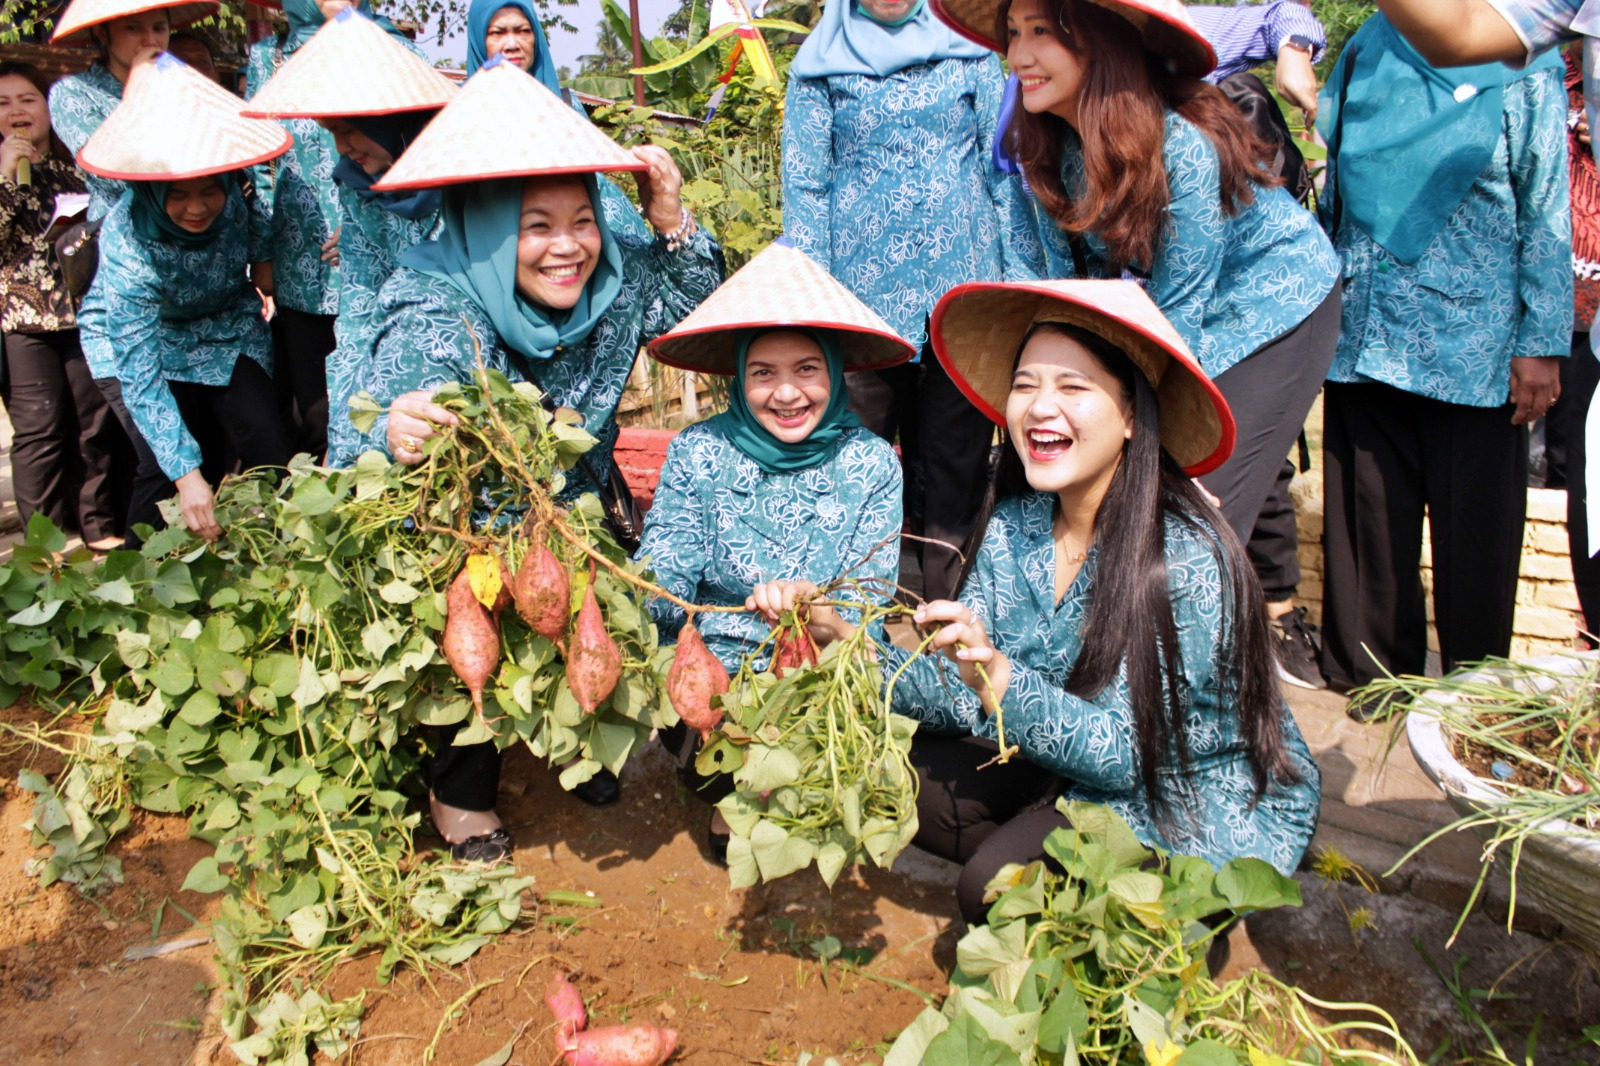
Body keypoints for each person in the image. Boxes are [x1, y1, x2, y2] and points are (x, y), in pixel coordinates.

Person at [757, 278, 1321, 928]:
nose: (1038, 408)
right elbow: (958, 693)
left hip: (1187, 793)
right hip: (1071, 754)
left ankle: (1178, 903)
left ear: (1133, 415)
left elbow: (1124, 755)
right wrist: (842, 638)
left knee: (989, 892)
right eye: (1025, 385)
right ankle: (1046, 832)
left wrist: (1000, 678)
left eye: (1073, 388)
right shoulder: (1014, 527)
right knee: (903, 779)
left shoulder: (1184, 560)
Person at [351, 59, 723, 862]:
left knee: (625, 610)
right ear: (486, 226)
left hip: (580, 507)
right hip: (469, 525)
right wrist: (404, 420)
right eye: (537, 225)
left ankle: (581, 740)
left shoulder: (614, 282)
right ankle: (462, 791)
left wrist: (671, 224)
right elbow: (409, 380)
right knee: (469, 622)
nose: (569, 249)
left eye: (582, 219)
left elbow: (702, 317)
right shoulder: (435, 299)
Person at [956, 0, 1341, 688]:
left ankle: (1185, 706)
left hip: (1275, 305)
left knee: (1186, 504)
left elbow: (1177, 328)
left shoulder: (1180, 147)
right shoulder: (1045, 151)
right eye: (1013, 34)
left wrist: (1148, 452)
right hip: (1170, 320)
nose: (1018, 57)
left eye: (1042, 33)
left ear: (1098, 43)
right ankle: (1078, 690)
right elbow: (1048, 302)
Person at [1316, 14, 1571, 720]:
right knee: (1370, 529)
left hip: (1476, 348)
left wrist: (1542, 342)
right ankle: (1378, 687)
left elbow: (1546, 203)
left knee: (1477, 540)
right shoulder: (1372, 43)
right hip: (1367, 331)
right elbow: (1337, 188)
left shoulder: (1520, 56)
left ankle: (1473, 702)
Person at [638, 240, 913, 859]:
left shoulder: (870, 463)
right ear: (739, 376)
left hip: (820, 658)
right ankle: (726, 795)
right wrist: (619, 598)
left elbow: (872, 599)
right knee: (714, 761)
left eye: (807, 369)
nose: (787, 394)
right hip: (717, 662)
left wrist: (816, 611)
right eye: (764, 373)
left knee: (855, 713)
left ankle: (799, 790)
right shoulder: (699, 451)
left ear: (836, 373)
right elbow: (665, 571)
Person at [782, 0, 1041, 604]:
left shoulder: (971, 51)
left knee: (956, 454)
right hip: (862, 299)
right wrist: (817, 304)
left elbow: (1002, 171)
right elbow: (807, 188)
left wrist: (1021, 283)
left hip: (965, 293)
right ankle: (853, 607)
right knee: (858, 449)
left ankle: (945, 609)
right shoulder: (819, 66)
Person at [81, 54, 291, 544]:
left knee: (264, 440)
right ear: (153, 191)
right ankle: (136, 582)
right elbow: (139, 369)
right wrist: (186, 475)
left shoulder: (234, 193)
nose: (197, 208)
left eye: (208, 192)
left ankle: (278, 557)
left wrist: (263, 259)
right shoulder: (128, 240)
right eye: (177, 195)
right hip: (144, 339)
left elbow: (261, 211)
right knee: (167, 468)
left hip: (226, 325)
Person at [239, 6, 454, 466]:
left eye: (350, 130)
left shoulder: (467, 179)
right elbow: (357, 317)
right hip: (400, 393)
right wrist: (351, 447)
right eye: (329, 133)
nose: (342, 148)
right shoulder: (356, 186)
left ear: (392, 118)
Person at [48, 0, 219, 543]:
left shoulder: (186, 89)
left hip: (194, 303)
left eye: (160, 26)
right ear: (103, 34)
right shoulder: (74, 95)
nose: (151, 38)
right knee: (159, 461)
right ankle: (137, 586)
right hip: (126, 296)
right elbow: (122, 175)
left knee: (207, 451)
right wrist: (147, 90)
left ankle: (196, 572)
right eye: (134, 28)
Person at [0, 61, 126, 551]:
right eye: (4, 103)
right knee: (40, 431)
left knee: (93, 425)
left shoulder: (76, 162)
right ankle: (43, 542)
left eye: (27, 100)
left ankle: (97, 528)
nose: (17, 111)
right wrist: (9, 180)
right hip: (24, 320)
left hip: (82, 310)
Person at [460, 0, 651, 242]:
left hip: (568, 243)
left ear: (536, 37)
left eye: (523, 31)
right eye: (497, 33)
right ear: (478, 40)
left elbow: (594, 186)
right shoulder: (460, 115)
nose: (511, 44)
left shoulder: (566, 105)